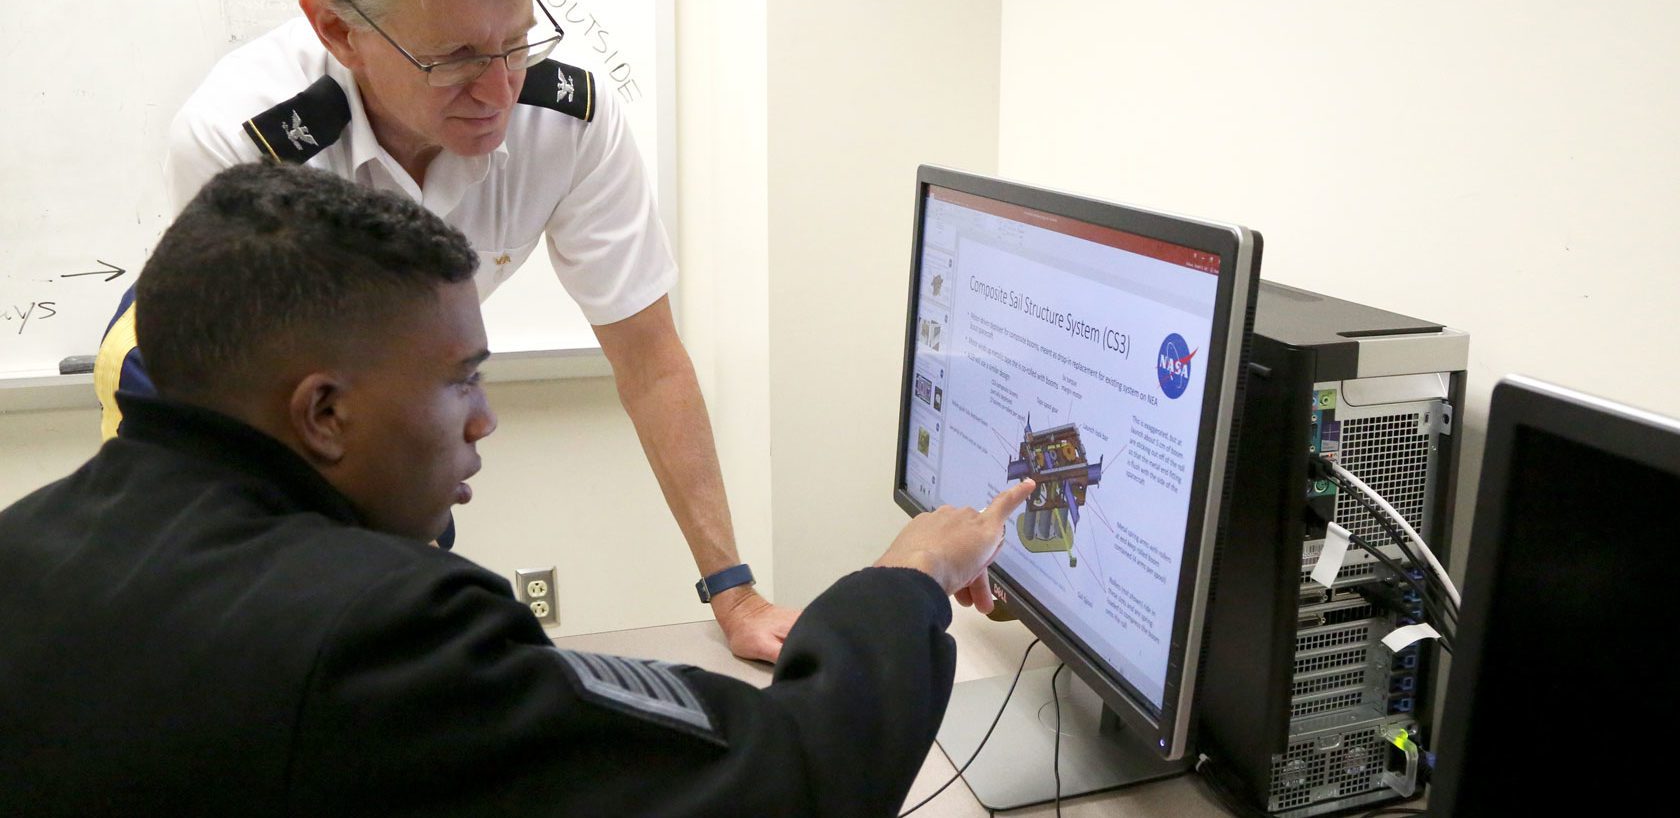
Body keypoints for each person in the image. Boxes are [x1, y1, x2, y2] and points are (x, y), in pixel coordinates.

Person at [1, 164, 1034, 816]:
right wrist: (907, 578)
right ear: (322, 413)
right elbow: (783, 779)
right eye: (460, 381)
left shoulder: (29, 547)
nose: (486, 420)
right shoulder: (376, 626)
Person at [92, 0, 795, 660]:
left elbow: (651, 362)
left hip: (389, 380)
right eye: (455, 57)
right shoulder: (245, 138)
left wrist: (734, 593)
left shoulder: (568, 123)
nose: (498, 91)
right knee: (239, 643)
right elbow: (298, 430)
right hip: (208, 380)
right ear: (337, 29)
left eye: (516, 42)